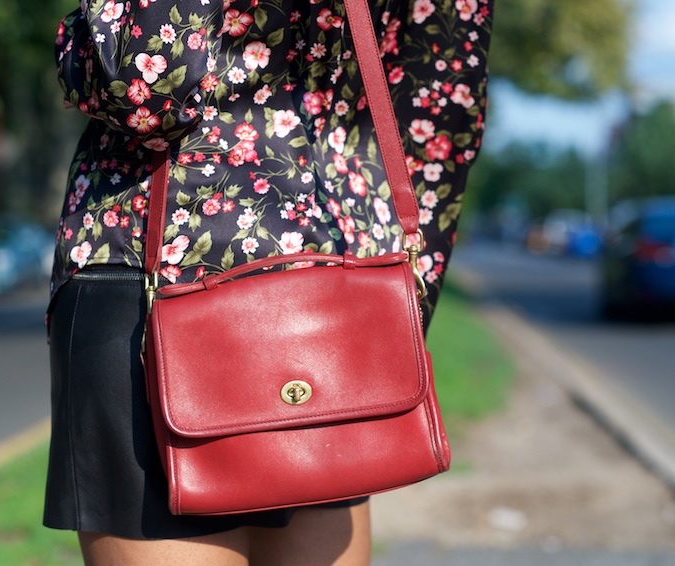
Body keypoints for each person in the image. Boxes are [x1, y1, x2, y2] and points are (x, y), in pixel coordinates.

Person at [44, 0, 492, 564]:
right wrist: (394, 311)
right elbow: (442, 101)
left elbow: (146, 79)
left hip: (157, 271)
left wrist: (75, 42)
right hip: (335, 275)